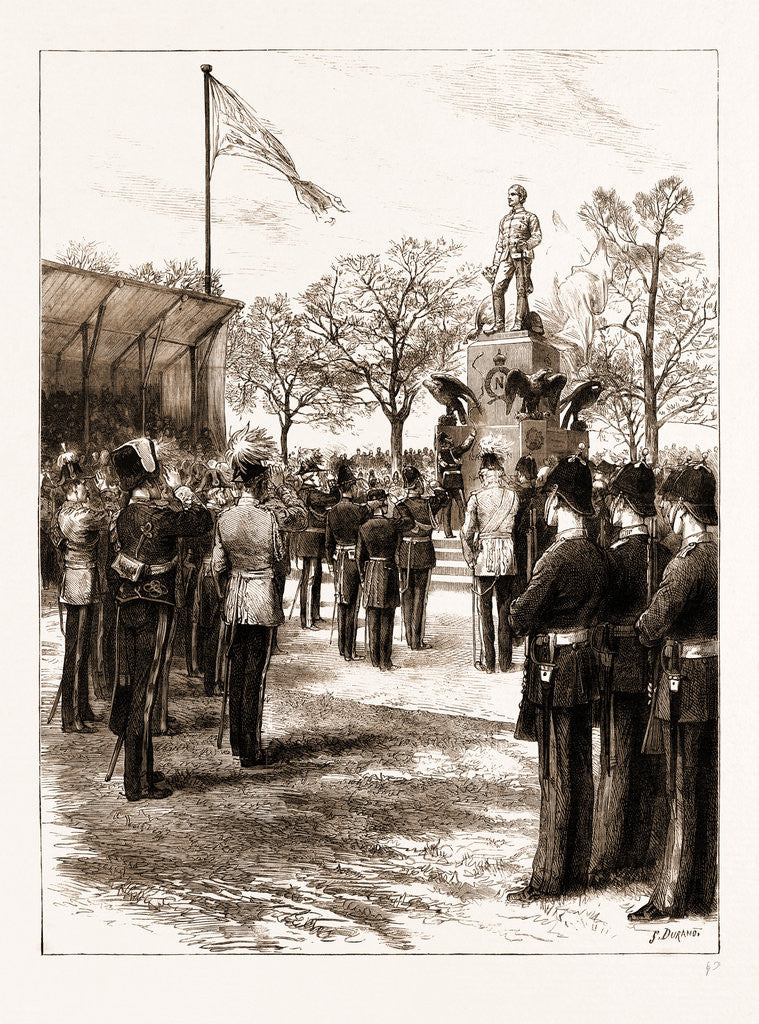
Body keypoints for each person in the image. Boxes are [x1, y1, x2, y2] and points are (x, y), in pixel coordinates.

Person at [507, 450, 607, 901]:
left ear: (562, 503)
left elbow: (521, 614)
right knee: (581, 769)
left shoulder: (557, 558)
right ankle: (578, 871)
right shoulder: (598, 556)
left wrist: (514, 608)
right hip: (583, 667)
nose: (545, 506)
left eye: (550, 498)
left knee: (555, 772)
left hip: (554, 670)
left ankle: (548, 878)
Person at [628, 462, 718, 921]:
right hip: (718, 679)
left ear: (684, 512)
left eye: (670, 506)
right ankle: (705, 889)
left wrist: (642, 628)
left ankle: (670, 896)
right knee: (709, 785)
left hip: (685, 681)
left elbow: (652, 625)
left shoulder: (685, 563)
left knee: (681, 787)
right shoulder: (725, 555)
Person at [108, 437, 212, 801]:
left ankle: (143, 769)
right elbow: (202, 521)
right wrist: (186, 494)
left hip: (126, 607)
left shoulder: (123, 515)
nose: (163, 484)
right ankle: (136, 782)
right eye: (159, 479)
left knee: (133, 684)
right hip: (155, 608)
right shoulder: (160, 517)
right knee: (146, 690)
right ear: (150, 480)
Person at [589, 457, 672, 882]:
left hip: (621, 665)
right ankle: (650, 851)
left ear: (623, 506)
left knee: (617, 758)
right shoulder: (666, 554)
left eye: (614, 503)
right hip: (656, 669)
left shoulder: (611, 557)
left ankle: (607, 855)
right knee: (652, 757)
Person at [212, 430, 305, 766]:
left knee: (236, 670)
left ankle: (237, 742)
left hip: (234, 600)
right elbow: (281, 561)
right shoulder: (269, 519)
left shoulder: (224, 517)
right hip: (262, 599)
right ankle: (251, 749)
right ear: (261, 484)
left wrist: (229, 589)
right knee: (256, 673)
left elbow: (217, 566)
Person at [50, 451, 108, 732]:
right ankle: (71, 717)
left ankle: (82, 707)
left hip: (82, 580)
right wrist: (106, 492)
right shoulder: (78, 515)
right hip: (79, 583)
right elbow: (106, 520)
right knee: (76, 652)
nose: (88, 487)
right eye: (84, 483)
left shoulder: (65, 511)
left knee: (82, 650)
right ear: (73, 487)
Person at [461, 448, 519, 672]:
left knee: (485, 612)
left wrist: (470, 557)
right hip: (507, 557)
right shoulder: (513, 497)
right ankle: (505, 662)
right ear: (500, 473)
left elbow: (466, 532)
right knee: (504, 610)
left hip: (484, 558)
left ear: (484, 474)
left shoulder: (476, 498)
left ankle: (488, 662)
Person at [356, 489, 413, 670]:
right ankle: (385, 662)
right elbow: (407, 527)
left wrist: (363, 578)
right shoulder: (392, 525)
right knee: (387, 618)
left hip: (372, 571)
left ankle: (375, 659)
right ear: (384, 503)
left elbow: (359, 556)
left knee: (373, 617)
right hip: (389, 572)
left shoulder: (364, 527)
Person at [394, 466, 447, 650]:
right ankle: (417, 641)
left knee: (406, 597)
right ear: (418, 483)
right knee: (419, 598)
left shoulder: (400, 505)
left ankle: (410, 639)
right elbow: (444, 497)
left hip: (405, 553)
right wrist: (433, 486)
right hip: (423, 552)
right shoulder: (428, 503)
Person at [484, 183, 542, 334]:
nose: (509, 197)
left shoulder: (530, 217)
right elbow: (500, 244)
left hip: (522, 257)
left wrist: (526, 245)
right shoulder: (504, 220)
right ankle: (499, 325)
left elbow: (537, 237)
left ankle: (518, 322)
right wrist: (495, 265)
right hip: (506, 257)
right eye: (509, 194)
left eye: (513, 194)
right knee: (497, 288)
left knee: (521, 289)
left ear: (521, 197)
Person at [325, 458, 366, 660]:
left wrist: (331, 565)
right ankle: (350, 651)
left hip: (338, 562)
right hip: (353, 561)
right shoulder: (357, 511)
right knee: (353, 607)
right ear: (351, 487)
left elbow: (327, 544)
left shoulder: (331, 512)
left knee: (342, 604)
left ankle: (343, 649)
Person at [292, 457, 339, 628]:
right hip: (309, 540)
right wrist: (336, 488)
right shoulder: (310, 493)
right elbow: (331, 500)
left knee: (316, 576)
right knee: (311, 577)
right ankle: (308, 620)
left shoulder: (308, 492)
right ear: (309, 476)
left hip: (314, 541)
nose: (320, 477)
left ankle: (315, 614)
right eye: (317, 474)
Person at [512, 455, 549, 598]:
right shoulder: (538, 494)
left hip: (522, 538)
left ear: (521, 473)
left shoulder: (517, 493)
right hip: (538, 540)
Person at [436, 428, 476, 537]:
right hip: (456, 482)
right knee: (462, 506)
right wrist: (472, 435)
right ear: (446, 442)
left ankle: (448, 533)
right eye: (449, 439)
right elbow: (464, 446)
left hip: (446, 482)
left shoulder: (440, 454)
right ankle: (464, 532)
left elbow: (440, 471)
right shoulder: (452, 451)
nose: (451, 440)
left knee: (447, 508)